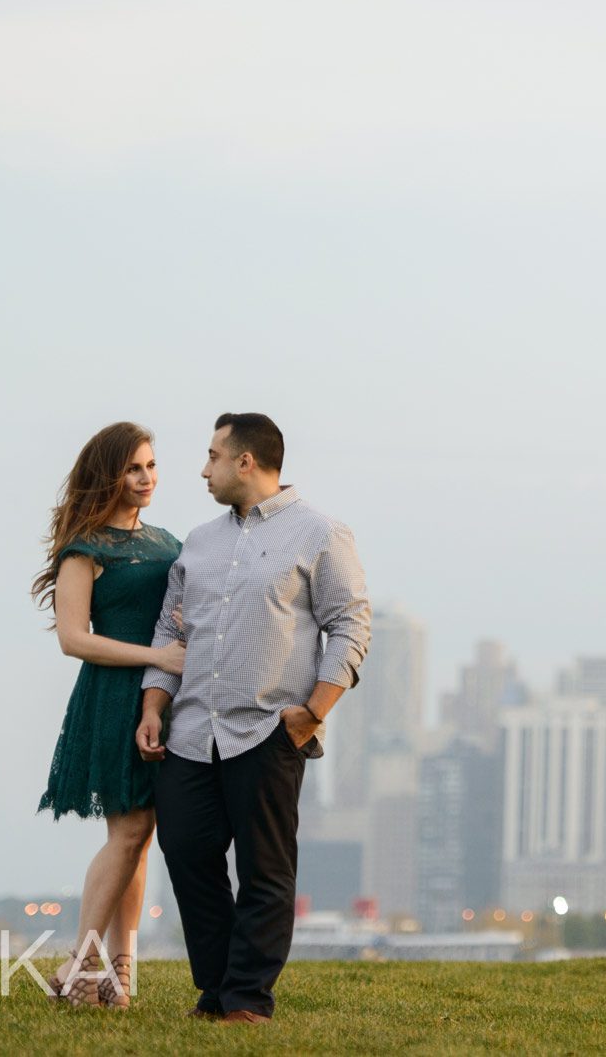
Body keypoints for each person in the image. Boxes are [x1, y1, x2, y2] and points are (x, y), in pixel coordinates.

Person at [136, 412, 372, 1024]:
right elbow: (170, 626)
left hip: (269, 731)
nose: (203, 468)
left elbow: (349, 625)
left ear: (246, 461)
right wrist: (154, 702)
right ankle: (216, 989)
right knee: (187, 853)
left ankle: (246, 1000)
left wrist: (311, 714)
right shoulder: (199, 541)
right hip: (190, 732)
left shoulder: (321, 533)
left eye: (213, 455)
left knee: (266, 871)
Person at [33, 421, 186, 1008]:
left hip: (162, 695)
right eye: (133, 468)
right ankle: (80, 965)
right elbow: (73, 639)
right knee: (127, 832)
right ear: (108, 475)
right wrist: (157, 656)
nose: (146, 478)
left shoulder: (170, 543)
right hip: (113, 696)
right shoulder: (85, 548)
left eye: (151, 465)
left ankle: (120, 982)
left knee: (138, 838)